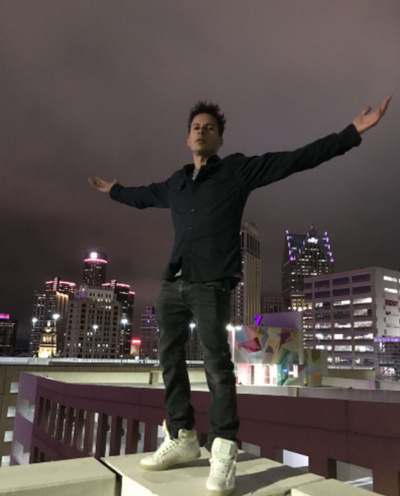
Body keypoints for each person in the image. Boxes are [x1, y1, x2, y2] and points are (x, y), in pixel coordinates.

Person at [88, 96, 391, 495]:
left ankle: (223, 448)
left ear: (219, 139)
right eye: (196, 127)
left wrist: (351, 133)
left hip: (211, 283)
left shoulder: (236, 171)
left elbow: (295, 159)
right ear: (188, 137)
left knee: (216, 363)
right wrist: (114, 190)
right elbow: (142, 195)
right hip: (174, 282)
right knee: (169, 358)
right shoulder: (176, 183)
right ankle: (181, 436)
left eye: (209, 128)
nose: (201, 132)